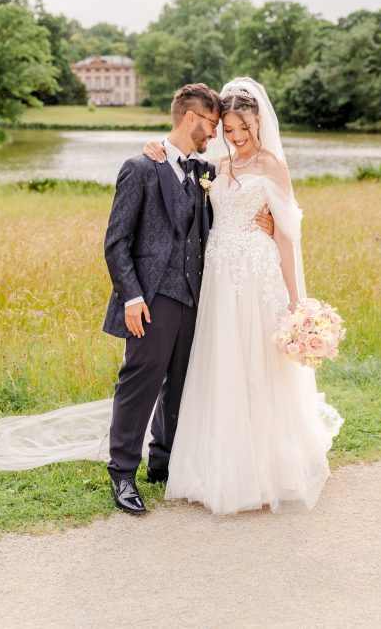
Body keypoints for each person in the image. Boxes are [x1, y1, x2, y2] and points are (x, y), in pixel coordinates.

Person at [0, 82, 275, 517]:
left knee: (182, 383)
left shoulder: (207, 172)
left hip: (197, 295)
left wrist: (269, 223)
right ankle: (122, 472)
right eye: (213, 124)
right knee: (139, 382)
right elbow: (116, 242)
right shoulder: (139, 168)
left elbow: (232, 213)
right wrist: (131, 297)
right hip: (151, 298)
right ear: (190, 118)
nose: (217, 133)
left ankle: (163, 462)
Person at [142, 78, 343, 514]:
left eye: (243, 129)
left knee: (257, 363)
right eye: (229, 130)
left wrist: (297, 302)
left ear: (258, 123)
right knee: (220, 361)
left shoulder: (273, 166)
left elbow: (286, 236)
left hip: (257, 271)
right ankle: (214, 462)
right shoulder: (216, 163)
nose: (236, 137)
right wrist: (153, 146)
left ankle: (265, 467)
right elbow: (178, 159)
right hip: (218, 274)